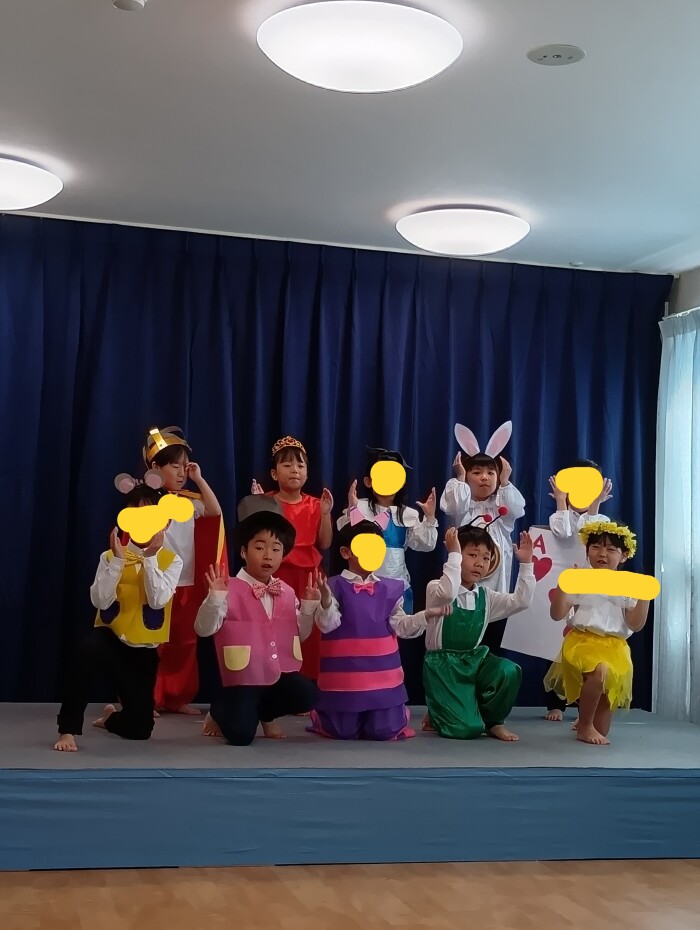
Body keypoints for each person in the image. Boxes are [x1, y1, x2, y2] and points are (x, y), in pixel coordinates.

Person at [54, 478, 182, 752]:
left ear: (165, 523)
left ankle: (111, 719)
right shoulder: (109, 556)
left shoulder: (172, 561)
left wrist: (150, 558)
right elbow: (99, 600)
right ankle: (68, 729)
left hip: (142, 651)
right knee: (85, 650)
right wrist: (117, 563)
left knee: (140, 730)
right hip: (110, 639)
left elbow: (158, 600)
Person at [307, 512, 450, 741]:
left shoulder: (392, 587)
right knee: (342, 731)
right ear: (346, 552)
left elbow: (400, 626)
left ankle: (392, 712)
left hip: (383, 678)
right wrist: (325, 600)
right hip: (344, 680)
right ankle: (323, 715)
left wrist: (426, 615)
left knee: (383, 730)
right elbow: (327, 625)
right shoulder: (333, 586)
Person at [194, 496, 319, 746]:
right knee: (240, 736)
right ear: (244, 551)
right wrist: (215, 598)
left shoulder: (286, 591)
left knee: (307, 695)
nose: (268, 556)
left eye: (276, 549)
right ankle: (218, 712)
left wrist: (308, 608)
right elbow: (203, 629)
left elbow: (300, 636)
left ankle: (266, 714)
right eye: (260, 547)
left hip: (277, 672)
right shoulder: (227, 587)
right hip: (243, 675)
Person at [422, 521, 535, 741]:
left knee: (508, 670)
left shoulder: (486, 596)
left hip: (474, 662)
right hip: (444, 667)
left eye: (486, 558)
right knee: (466, 729)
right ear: (457, 555)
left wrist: (526, 564)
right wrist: (453, 555)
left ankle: (493, 722)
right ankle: (438, 710)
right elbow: (448, 593)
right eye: (472, 555)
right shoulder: (436, 588)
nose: (480, 563)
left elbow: (521, 601)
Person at [143, 426, 224, 716]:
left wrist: (199, 479)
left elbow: (214, 512)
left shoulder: (189, 501)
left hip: (186, 582)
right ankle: (146, 698)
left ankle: (177, 696)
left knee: (184, 642)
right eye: (174, 466)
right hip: (154, 581)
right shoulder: (145, 500)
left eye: (184, 467)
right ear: (156, 467)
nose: (181, 473)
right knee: (151, 642)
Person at [546, 520, 650, 746]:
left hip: (614, 647)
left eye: (611, 549)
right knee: (599, 670)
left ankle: (587, 719)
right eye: (596, 547)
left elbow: (635, 625)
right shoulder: (581, 579)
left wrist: (644, 597)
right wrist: (564, 586)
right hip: (582, 642)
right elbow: (556, 614)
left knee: (602, 728)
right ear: (587, 551)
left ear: (623, 556)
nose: (602, 554)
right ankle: (585, 726)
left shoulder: (627, 584)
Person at [439, 420, 525, 654]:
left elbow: (516, 508)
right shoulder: (463, 506)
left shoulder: (502, 508)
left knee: (492, 639)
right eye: (476, 473)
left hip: (495, 586)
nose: (484, 477)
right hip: (463, 586)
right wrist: (459, 477)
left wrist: (505, 481)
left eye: (490, 473)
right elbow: (453, 504)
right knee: (463, 636)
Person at [252, 436, 333, 681]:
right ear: (274, 473)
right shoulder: (267, 501)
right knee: (274, 628)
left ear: (307, 473)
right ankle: (272, 681)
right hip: (275, 574)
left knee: (310, 632)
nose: (294, 470)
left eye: (300, 465)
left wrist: (326, 514)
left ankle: (306, 684)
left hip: (309, 576)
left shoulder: (315, 504)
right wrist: (258, 509)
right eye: (287, 465)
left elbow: (325, 543)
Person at [544, 459, 613, 722]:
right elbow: (562, 532)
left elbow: (591, 535)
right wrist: (561, 502)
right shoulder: (559, 516)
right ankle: (556, 704)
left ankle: (585, 711)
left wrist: (594, 508)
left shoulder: (601, 520)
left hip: (591, 594)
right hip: (562, 589)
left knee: (588, 651)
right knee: (555, 648)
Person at [336, 447, 437, 613]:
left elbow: (427, 545)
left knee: (397, 625)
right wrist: (352, 511)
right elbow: (345, 536)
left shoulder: (408, 514)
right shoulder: (360, 507)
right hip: (364, 583)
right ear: (368, 481)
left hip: (396, 584)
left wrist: (430, 518)